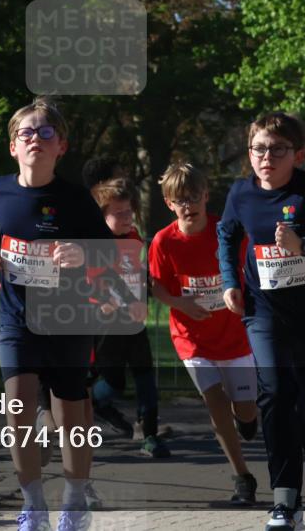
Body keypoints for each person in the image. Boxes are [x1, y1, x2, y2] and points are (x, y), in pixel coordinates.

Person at [0, 97, 144, 531]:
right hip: (16, 316)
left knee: (71, 418)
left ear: (61, 146)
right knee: (17, 407)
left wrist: (82, 251)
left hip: (68, 317)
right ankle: (33, 504)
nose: (35, 139)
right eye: (26, 133)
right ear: (13, 146)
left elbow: (110, 252)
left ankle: (74, 500)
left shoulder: (75, 199)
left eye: (45, 132)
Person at [219, 113, 305, 531]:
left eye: (277, 150)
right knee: (275, 395)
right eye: (259, 148)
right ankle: (284, 499)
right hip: (263, 314)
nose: (266, 157)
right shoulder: (241, 193)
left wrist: (303, 245)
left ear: (297, 154)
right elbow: (226, 234)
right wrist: (229, 282)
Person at [148, 162, 258, 505]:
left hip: (235, 335)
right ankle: (242, 476)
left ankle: (246, 419)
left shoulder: (224, 232)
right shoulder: (164, 242)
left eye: (194, 197)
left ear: (206, 196)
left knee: (246, 410)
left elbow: (250, 270)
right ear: (169, 203)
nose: (187, 205)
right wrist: (180, 303)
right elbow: (157, 287)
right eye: (179, 199)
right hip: (191, 339)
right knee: (215, 402)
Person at [88, 177, 170, 459]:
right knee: (113, 383)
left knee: (146, 377)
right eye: (119, 213)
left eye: (129, 211)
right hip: (107, 323)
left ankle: (149, 435)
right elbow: (97, 280)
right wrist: (109, 302)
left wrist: (143, 286)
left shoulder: (133, 236)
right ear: (102, 215)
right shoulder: (96, 243)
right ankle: (89, 403)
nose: (127, 217)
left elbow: (133, 270)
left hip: (134, 321)